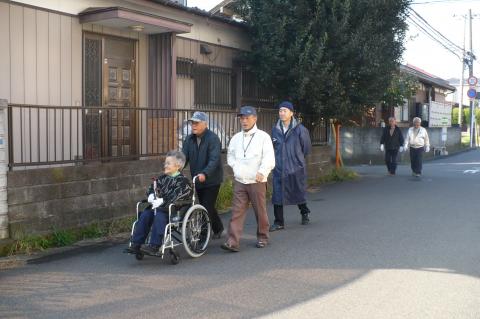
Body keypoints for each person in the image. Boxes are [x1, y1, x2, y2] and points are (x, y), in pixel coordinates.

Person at [221, 106, 275, 252]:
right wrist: (235, 167)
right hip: (240, 180)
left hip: (257, 180)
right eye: (242, 118)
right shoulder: (236, 138)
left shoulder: (263, 137)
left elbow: (269, 157)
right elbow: (230, 155)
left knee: (260, 211)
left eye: (247, 118)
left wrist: (262, 171)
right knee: (237, 211)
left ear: (255, 118)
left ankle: (263, 237)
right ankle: (232, 241)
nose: (244, 121)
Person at [126, 150, 193, 255]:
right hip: (158, 209)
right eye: (165, 163)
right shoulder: (162, 179)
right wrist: (151, 195)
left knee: (159, 216)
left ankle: (154, 245)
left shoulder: (183, 181)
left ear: (178, 165)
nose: (165, 165)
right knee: (145, 214)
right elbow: (152, 188)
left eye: (168, 163)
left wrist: (163, 200)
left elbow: (180, 196)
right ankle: (136, 243)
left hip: (174, 211)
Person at [269, 101, 312, 232]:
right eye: (280, 111)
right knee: (277, 194)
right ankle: (279, 222)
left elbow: (306, 148)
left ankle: (304, 212)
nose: (281, 113)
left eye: (284, 111)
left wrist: (297, 160)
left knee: (298, 191)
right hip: (279, 167)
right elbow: (272, 147)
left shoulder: (300, 130)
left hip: (295, 167)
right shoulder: (275, 130)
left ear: (291, 113)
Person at [182, 111, 224, 239]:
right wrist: (176, 169)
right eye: (192, 123)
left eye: (196, 123)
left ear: (205, 124)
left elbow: (214, 159)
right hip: (198, 179)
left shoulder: (213, 139)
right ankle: (218, 228)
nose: (193, 125)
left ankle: (202, 236)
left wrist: (205, 173)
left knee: (206, 206)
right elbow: (183, 157)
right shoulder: (189, 139)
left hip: (212, 179)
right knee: (207, 206)